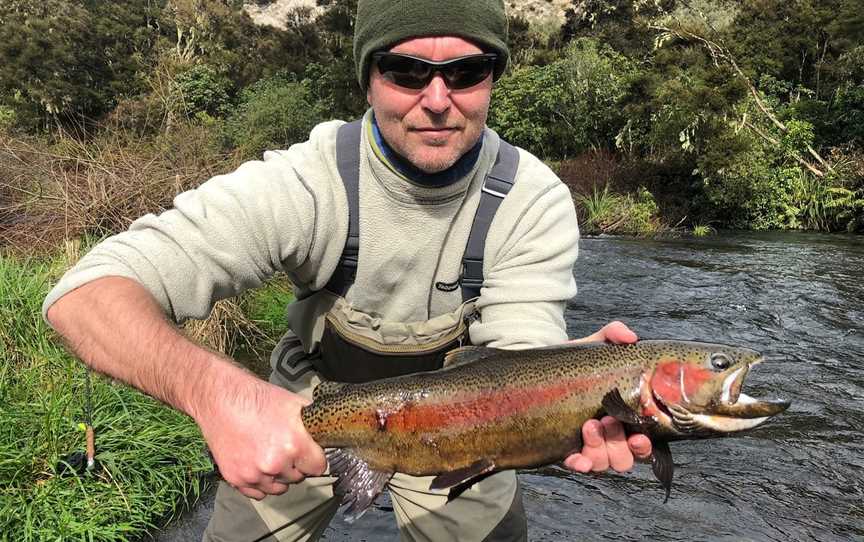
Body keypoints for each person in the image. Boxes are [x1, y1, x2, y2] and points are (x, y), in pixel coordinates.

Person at [43, 0, 652, 540]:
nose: (436, 100)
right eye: (406, 71)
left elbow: (520, 353)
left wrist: (571, 391)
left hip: (462, 421)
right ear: (368, 78)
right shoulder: (306, 183)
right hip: (309, 405)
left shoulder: (531, 199)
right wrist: (222, 397)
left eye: (465, 72)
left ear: (492, 78)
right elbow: (86, 294)